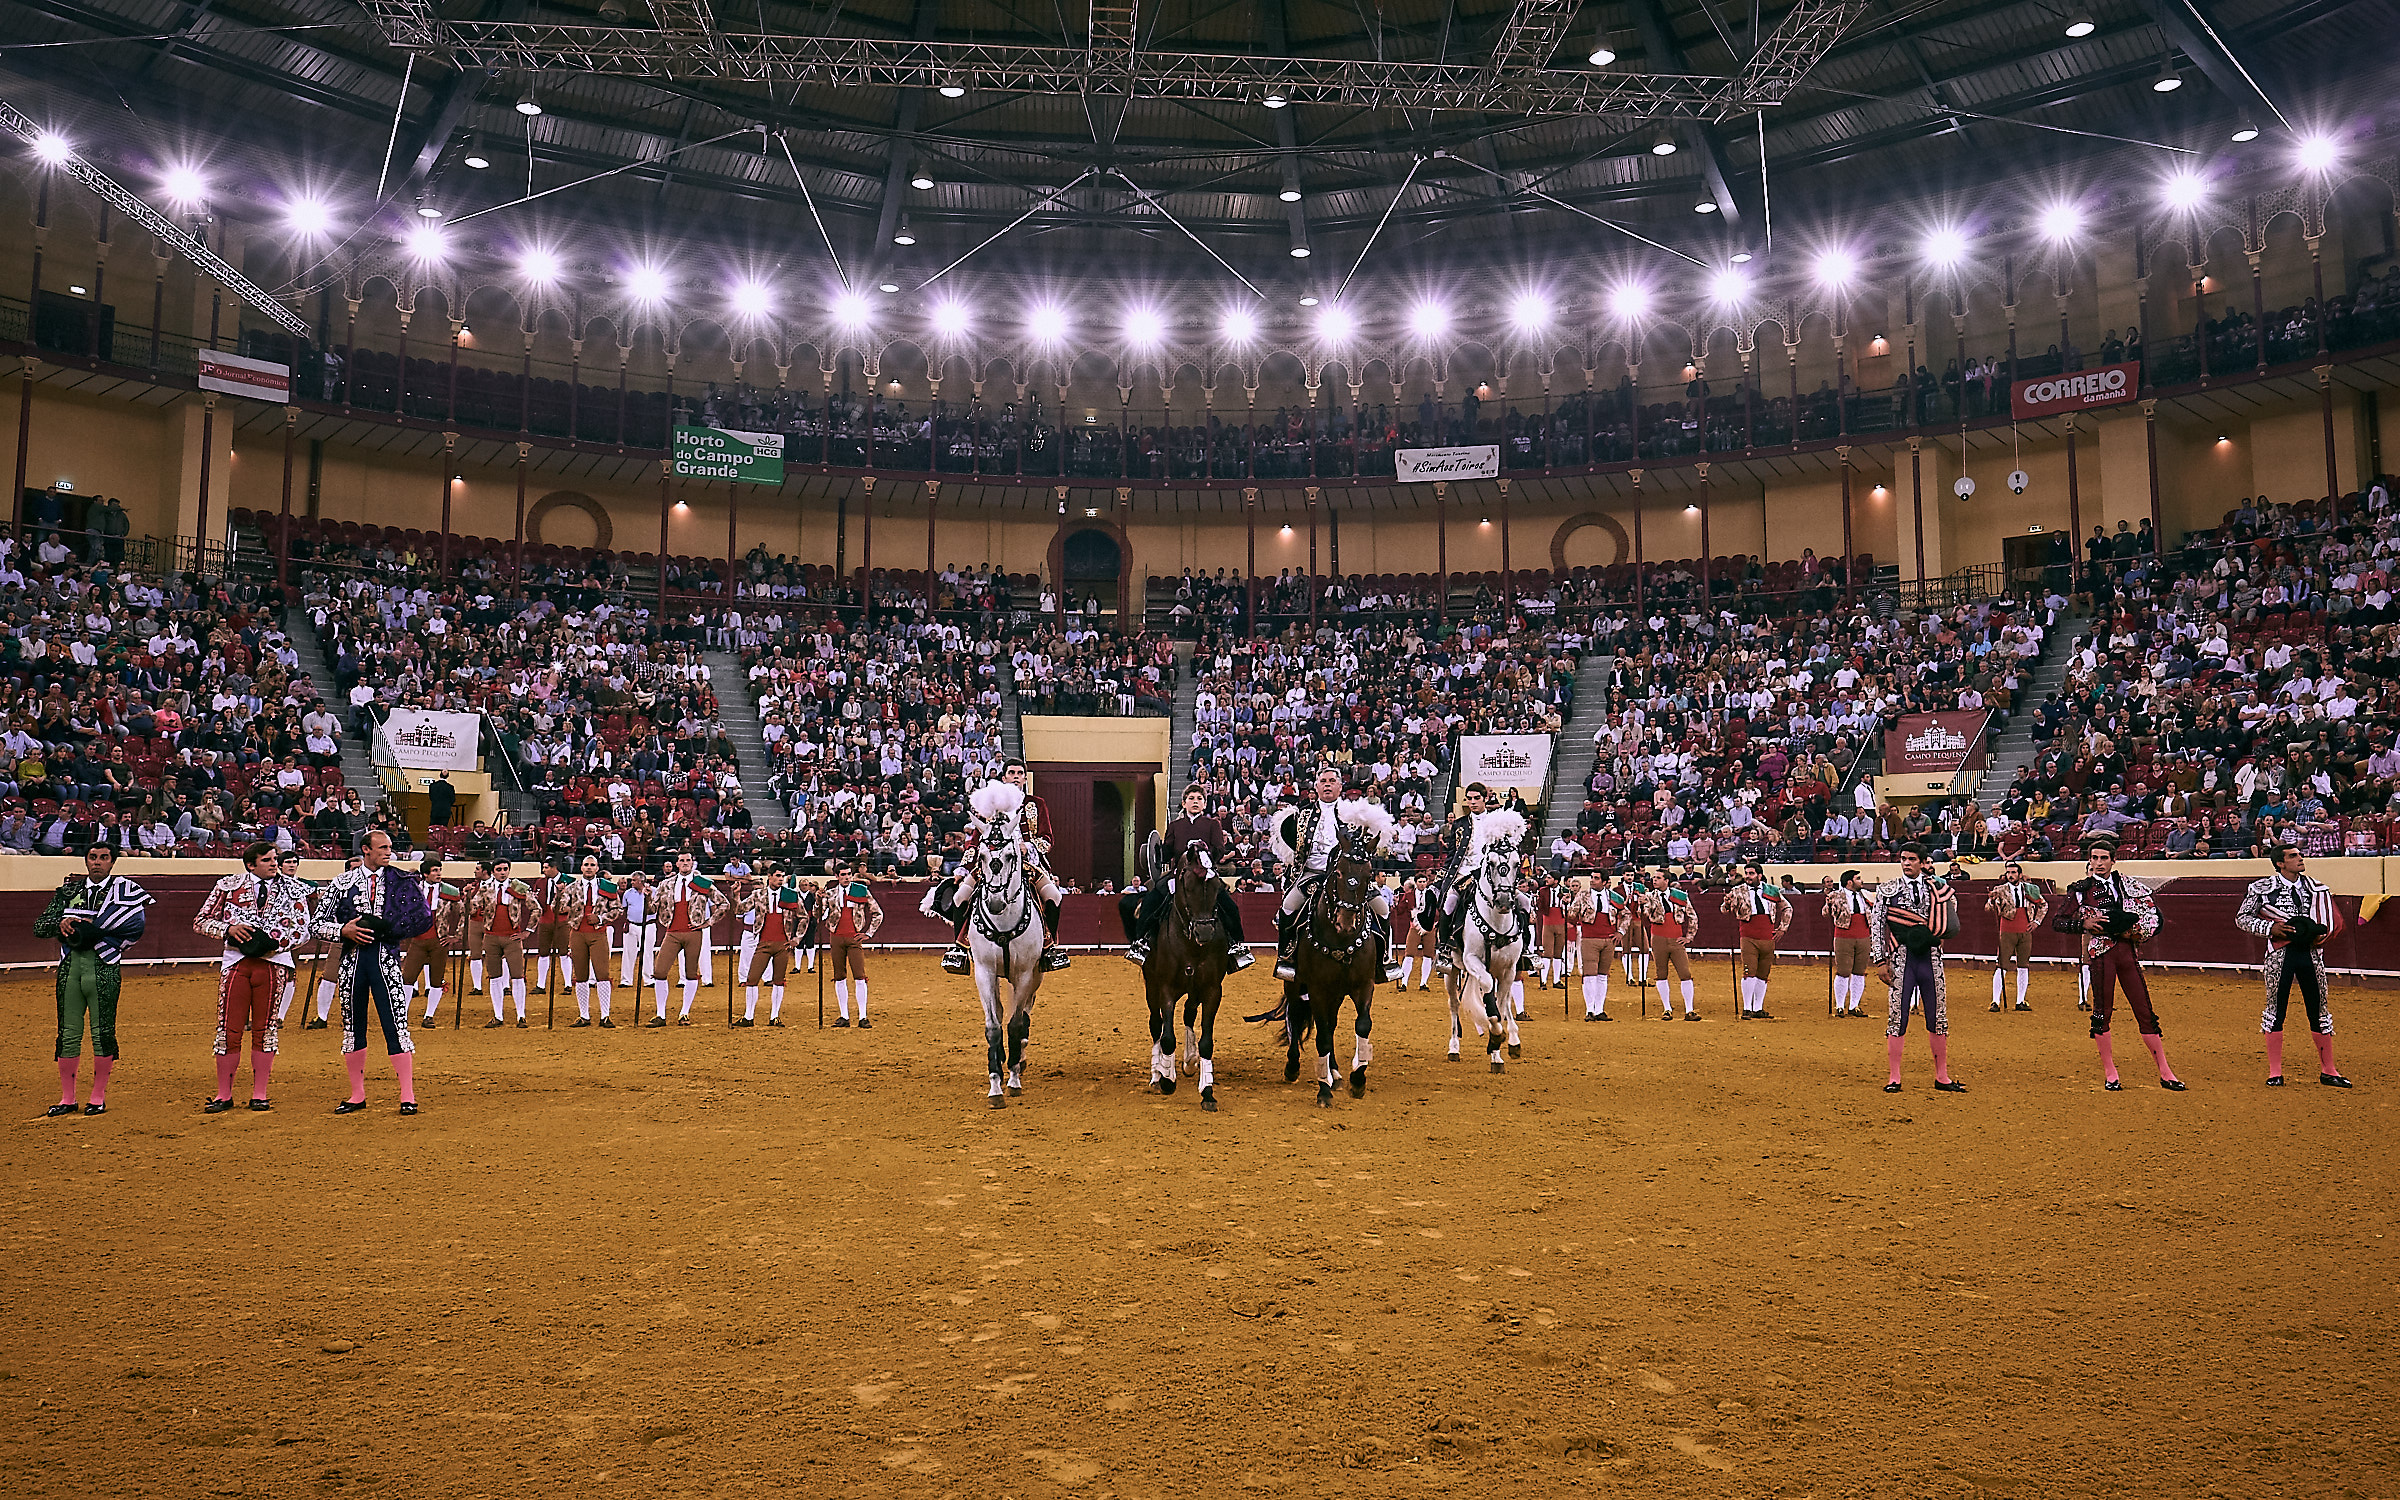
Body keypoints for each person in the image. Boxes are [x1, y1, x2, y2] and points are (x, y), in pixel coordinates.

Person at [316, 828, 435, 1115]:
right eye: (382, 847)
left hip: (386, 960)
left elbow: (422, 917)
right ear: (366, 849)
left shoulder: (402, 880)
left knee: (396, 1026)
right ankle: (357, 1094)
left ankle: (408, 1095)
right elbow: (316, 923)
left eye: (390, 847)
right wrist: (343, 930)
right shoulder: (342, 882)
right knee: (353, 1028)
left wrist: (391, 931)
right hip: (352, 963)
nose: (388, 852)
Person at [193, 841, 314, 1112]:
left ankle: (260, 1093)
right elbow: (201, 920)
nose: (275, 864)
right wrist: (229, 930)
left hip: (273, 963)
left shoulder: (294, 888)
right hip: (236, 962)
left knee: (266, 1029)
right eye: (268, 860)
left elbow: (304, 929)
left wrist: (274, 943)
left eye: (275, 859)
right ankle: (223, 1095)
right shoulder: (228, 885)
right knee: (229, 1030)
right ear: (251, 864)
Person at [36, 839, 151, 1117]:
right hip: (70, 969)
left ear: (112, 862)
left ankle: (97, 1097)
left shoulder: (126, 890)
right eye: (92, 857)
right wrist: (60, 923)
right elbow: (40, 926)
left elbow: (135, 926)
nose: (97, 862)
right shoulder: (69, 891)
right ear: (86, 860)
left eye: (103, 857)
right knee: (68, 1034)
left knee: (103, 1032)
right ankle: (67, 1098)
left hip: (104, 968)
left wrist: (94, 930)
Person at [2067, 835, 2181, 1091]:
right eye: (2094, 858)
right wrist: (2082, 924)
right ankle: (2111, 1073)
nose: (2098, 863)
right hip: (2101, 954)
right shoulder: (2080, 889)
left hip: (2128, 952)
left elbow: (2152, 916)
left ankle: (2166, 1072)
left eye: (2103, 858)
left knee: (2145, 1011)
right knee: (2102, 1013)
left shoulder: (2130, 886)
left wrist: (2135, 931)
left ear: (2113, 861)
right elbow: (2060, 921)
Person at [938, 762, 1071, 974]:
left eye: (1020, 773)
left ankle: (1049, 948)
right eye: (1012, 773)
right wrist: (963, 868)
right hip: (991, 866)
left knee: (1054, 897)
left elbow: (1047, 839)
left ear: (1025, 779)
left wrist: (1027, 847)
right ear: (1004, 777)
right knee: (960, 897)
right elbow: (975, 841)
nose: (1016, 777)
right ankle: (959, 949)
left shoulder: (1036, 804)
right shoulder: (992, 806)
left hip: (1028, 866)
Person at [2234, 844, 2348, 1088]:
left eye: (2300, 854)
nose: (2300, 858)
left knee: (2319, 1009)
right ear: (2280, 863)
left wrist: (2320, 933)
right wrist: (2269, 928)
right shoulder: (2262, 889)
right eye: (2293, 856)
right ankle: (2275, 1072)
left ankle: (2329, 1070)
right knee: (2276, 1010)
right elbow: (2242, 918)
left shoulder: (2316, 888)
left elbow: (2327, 920)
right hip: (2280, 954)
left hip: (2310, 953)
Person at [1272, 767, 1399, 984]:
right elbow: (1293, 849)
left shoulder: (1357, 816)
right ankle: (1286, 957)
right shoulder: (1302, 816)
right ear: (1316, 786)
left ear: (1340, 786)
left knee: (1383, 909)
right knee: (1288, 907)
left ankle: (1383, 960)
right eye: (1323, 781)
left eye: (1332, 780)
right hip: (1313, 875)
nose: (1327, 784)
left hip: (1348, 877)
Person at [1121, 784, 1254, 971]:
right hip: (1177, 876)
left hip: (1207, 876)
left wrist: (1203, 850)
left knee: (1229, 906)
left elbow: (1219, 851)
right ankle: (1141, 943)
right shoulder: (1175, 826)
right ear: (1184, 803)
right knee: (1152, 902)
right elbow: (1166, 854)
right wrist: (1158, 851)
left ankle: (1236, 946)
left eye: (1199, 799)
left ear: (1205, 804)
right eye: (1191, 798)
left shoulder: (1212, 824)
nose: (1195, 802)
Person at [1870, 845, 1963, 1093]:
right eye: (1903, 859)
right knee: (1897, 1016)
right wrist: (1880, 961)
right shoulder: (1888, 889)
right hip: (1902, 958)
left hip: (1931, 958)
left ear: (1923, 862)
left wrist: (1938, 933)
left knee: (1937, 1017)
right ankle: (1894, 1077)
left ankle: (1942, 1076)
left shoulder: (1937, 888)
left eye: (1912, 859)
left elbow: (1950, 922)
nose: (1906, 863)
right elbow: (1877, 926)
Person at [647, 852, 724, 1028]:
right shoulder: (665, 884)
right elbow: (652, 909)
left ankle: (684, 1013)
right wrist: (646, 897)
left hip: (693, 932)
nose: (685, 863)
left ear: (693, 863)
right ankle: (660, 1014)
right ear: (677, 863)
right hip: (672, 931)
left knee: (691, 973)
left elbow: (723, 903)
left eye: (688, 860)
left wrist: (708, 922)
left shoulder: (702, 883)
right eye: (682, 860)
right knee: (659, 972)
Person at [1431, 783, 1493, 973]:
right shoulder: (1459, 824)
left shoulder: (1496, 821)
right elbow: (1451, 855)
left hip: (1491, 874)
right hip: (1464, 873)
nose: (1472, 802)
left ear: (1485, 799)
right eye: (1469, 799)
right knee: (1449, 902)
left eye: (1476, 798)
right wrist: (1441, 879)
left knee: (1520, 901)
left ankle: (1523, 950)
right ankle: (1444, 950)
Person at [1722, 861, 1793, 1021]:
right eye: (1746, 873)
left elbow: (1787, 907)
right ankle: (1747, 1008)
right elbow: (1724, 910)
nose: (1748, 876)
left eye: (1751, 873)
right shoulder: (1737, 891)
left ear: (1759, 875)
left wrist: (1783, 927)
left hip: (1768, 936)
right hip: (1748, 935)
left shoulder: (1771, 890)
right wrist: (1727, 903)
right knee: (1749, 971)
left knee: (1763, 974)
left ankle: (1758, 1008)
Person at [557, 854, 621, 1027]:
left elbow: (617, 909)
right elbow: (560, 908)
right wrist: (559, 894)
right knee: (581, 975)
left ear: (597, 868)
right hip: (577, 933)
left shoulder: (607, 887)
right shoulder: (571, 887)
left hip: (598, 933)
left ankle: (605, 1015)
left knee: (602, 974)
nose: (589, 867)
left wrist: (600, 918)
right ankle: (584, 1015)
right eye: (586, 864)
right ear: (581, 867)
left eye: (592, 865)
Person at [738, 862, 802, 1028]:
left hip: (783, 944)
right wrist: (735, 894)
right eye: (778, 876)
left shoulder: (790, 895)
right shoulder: (758, 894)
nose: (781, 880)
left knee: (779, 980)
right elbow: (740, 909)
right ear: (770, 876)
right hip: (764, 942)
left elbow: (804, 917)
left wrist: (797, 938)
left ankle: (774, 1016)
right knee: (752, 979)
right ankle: (748, 1016)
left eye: (783, 876)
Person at [1631, 867, 1700, 1020]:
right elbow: (1644, 915)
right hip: (1658, 939)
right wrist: (1640, 905)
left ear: (1666, 881)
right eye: (1654, 878)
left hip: (1676, 938)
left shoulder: (1679, 896)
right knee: (1661, 974)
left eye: (1658, 878)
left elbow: (1693, 916)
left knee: (1685, 974)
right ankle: (1667, 1008)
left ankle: (1689, 1009)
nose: (1654, 880)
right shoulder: (1649, 896)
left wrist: (1689, 937)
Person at [473, 860, 536, 1028]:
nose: (502, 872)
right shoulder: (485, 889)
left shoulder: (519, 887)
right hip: (491, 937)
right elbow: (472, 907)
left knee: (517, 976)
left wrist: (527, 931)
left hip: (512, 937)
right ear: (492, 872)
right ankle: (498, 1015)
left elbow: (536, 908)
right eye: (499, 869)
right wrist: (470, 904)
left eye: (505, 869)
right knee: (494, 977)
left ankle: (521, 1016)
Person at [1984, 861, 2048, 1013]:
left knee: (2023, 965)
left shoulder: (2030, 889)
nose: (2010, 875)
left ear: (2020, 874)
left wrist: (2037, 922)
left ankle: (2020, 1001)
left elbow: (2044, 905)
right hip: (2007, 930)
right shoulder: (1999, 890)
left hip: (2025, 929)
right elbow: (1988, 908)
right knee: (2001, 966)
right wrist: (1992, 900)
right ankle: (1995, 1001)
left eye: (2013, 872)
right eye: (2008, 872)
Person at [825, 864, 883, 1027]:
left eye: (849, 874)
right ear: (836, 876)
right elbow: (818, 914)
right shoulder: (830, 893)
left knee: (859, 975)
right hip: (836, 937)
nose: (846, 877)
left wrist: (869, 933)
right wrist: (817, 900)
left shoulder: (861, 890)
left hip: (854, 938)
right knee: (839, 976)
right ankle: (844, 1016)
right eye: (843, 874)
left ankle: (863, 1016)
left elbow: (878, 913)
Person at [1566, 875, 1614, 1021]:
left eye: (1596, 878)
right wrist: (1568, 906)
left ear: (1605, 882)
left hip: (1608, 939)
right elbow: (1571, 914)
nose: (1592, 880)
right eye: (1592, 877)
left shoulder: (1613, 897)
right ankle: (1589, 1010)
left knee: (1602, 975)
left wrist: (1621, 932)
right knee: (1590, 974)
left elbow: (1626, 914)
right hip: (1589, 938)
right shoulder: (1583, 895)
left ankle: (1599, 1009)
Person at [1828, 870, 1874, 1017]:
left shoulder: (1865, 894)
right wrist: (1829, 904)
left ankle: (1854, 1006)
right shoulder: (1836, 895)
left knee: (1859, 972)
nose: (1861, 881)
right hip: (1844, 935)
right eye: (1858, 879)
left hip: (1864, 935)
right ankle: (1840, 1006)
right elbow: (1825, 913)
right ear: (1849, 882)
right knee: (1843, 971)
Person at [528, 856, 573, 997]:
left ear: (555, 868)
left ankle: (568, 984)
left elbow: (577, 900)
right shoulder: (540, 882)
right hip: (545, 920)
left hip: (561, 920)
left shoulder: (569, 882)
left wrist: (569, 909)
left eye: (546, 868)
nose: (544, 870)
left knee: (564, 952)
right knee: (543, 952)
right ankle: (540, 985)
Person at [617, 871, 657, 996]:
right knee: (628, 952)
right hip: (632, 924)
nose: (632, 882)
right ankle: (626, 980)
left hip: (649, 925)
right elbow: (624, 909)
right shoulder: (628, 894)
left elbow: (655, 907)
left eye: (634, 880)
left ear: (641, 881)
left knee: (648, 952)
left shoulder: (653, 891)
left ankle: (648, 979)